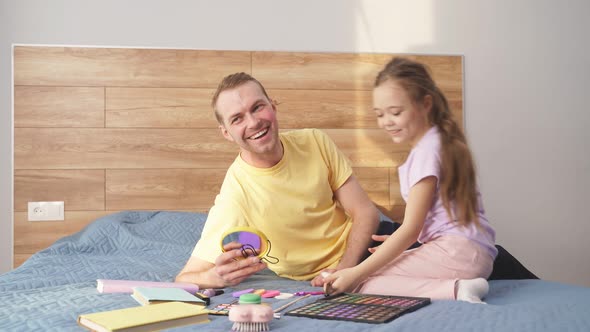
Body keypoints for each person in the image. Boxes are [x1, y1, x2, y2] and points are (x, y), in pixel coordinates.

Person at [175, 72, 380, 288]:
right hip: (334, 276)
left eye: (257, 107)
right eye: (238, 119)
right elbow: (184, 278)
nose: (253, 122)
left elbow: (365, 212)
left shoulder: (315, 141)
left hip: (370, 246)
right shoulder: (236, 194)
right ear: (226, 133)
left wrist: (345, 269)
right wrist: (215, 277)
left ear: (273, 107)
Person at [323, 57, 498, 303]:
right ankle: (459, 285)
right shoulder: (441, 141)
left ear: (425, 104)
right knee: (378, 269)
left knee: (363, 283)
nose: (386, 122)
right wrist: (398, 243)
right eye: (380, 114)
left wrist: (353, 273)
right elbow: (436, 219)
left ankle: (459, 290)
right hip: (475, 250)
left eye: (395, 112)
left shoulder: (425, 152)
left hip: (457, 252)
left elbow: (410, 228)